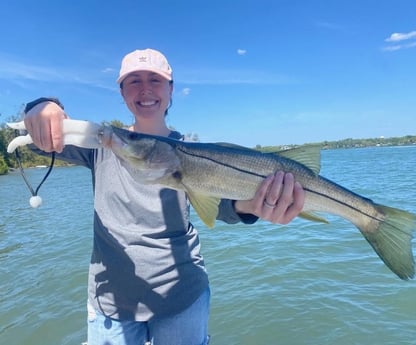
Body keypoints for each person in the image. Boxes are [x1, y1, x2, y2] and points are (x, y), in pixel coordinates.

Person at [23, 48, 305, 345]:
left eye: (155, 80)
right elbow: (35, 144)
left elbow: (221, 206)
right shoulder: (104, 142)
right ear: (121, 92)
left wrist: (257, 205)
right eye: (133, 81)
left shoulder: (195, 151)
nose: (145, 89)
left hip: (182, 295)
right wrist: (42, 107)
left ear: (171, 90)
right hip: (112, 299)